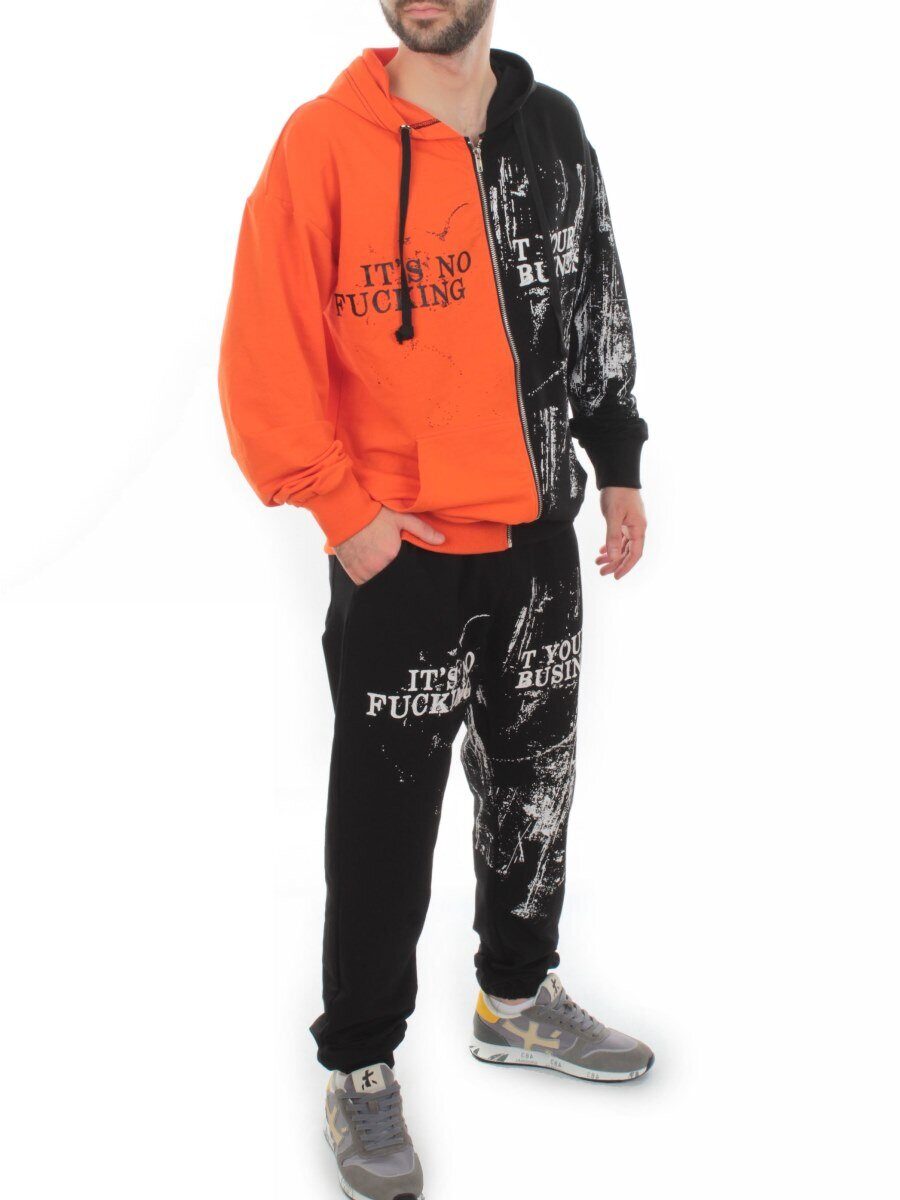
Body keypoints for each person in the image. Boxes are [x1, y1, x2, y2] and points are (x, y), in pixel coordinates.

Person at [219, 2, 652, 1196]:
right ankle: (359, 1064)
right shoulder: (322, 145)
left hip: (539, 540)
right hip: (403, 553)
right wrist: (343, 514)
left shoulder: (551, 131)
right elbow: (263, 345)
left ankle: (515, 996)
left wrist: (617, 461)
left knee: (535, 785)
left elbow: (595, 301)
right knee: (385, 819)